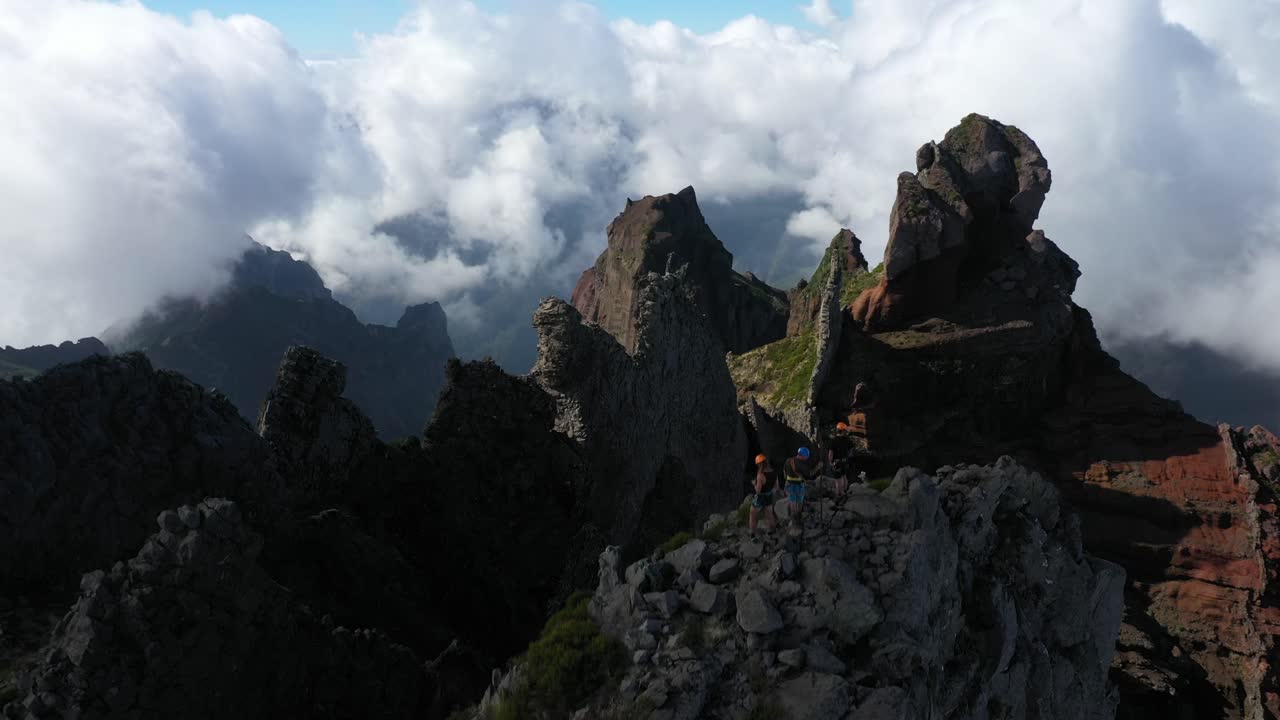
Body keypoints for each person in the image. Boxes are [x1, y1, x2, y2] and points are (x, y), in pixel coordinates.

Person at [783, 447, 820, 527]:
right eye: (806, 457)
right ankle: (798, 519)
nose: (806, 459)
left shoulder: (788, 460)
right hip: (798, 485)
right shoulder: (801, 463)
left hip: (789, 484)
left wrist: (787, 480)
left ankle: (794, 519)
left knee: (793, 501)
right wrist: (818, 467)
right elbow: (810, 474)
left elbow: (784, 472)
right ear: (804, 456)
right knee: (799, 501)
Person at [750, 454, 781, 535]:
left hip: (760, 498)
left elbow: (758, 491)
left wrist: (754, 484)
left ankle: (752, 535)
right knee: (770, 515)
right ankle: (773, 532)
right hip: (769, 496)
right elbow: (777, 487)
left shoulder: (760, 475)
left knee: (753, 516)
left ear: (759, 464)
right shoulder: (774, 472)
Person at [827, 422, 856, 495]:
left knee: (838, 479)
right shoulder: (847, 440)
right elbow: (852, 449)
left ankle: (839, 493)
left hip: (836, 462)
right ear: (843, 431)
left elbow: (831, 453)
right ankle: (844, 491)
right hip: (845, 461)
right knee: (844, 476)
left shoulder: (833, 441)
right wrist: (849, 456)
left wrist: (830, 462)